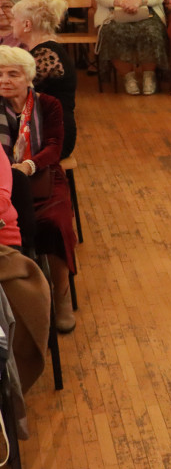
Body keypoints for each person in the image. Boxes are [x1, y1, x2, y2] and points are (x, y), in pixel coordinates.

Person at [0, 46, 77, 332]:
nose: (4, 80)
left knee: (56, 224)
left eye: (12, 74)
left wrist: (30, 165)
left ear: (28, 76)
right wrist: (10, 170)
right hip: (5, 180)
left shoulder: (48, 104)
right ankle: (18, 294)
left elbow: (55, 146)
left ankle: (61, 295)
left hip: (42, 173)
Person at [11, 0, 77, 158]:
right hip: (41, 129)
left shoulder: (46, 54)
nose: (11, 23)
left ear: (27, 25)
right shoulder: (44, 51)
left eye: (14, 19)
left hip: (52, 137)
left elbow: (14, 92)